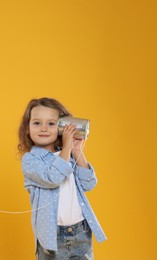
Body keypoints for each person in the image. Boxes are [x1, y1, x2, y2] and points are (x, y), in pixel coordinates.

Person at [18, 97, 106, 259]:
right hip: (53, 236)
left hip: (81, 231)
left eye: (51, 123)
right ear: (27, 129)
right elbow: (54, 178)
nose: (44, 128)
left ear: (62, 127)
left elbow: (89, 183)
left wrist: (77, 150)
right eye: (37, 123)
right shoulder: (31, 160)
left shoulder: (69, 155)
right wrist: (67, 148)